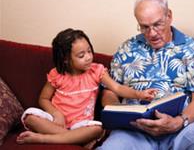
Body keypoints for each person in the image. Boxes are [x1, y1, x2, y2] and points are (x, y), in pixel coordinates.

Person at [97, 0, 194, 149]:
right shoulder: (126, 48)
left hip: (182, 128)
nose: (152, 34)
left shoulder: (192, 47)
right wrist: (121, 114)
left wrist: (179, 122)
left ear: (169, 16)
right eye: (144, 27)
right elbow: (109, 92)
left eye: (157, 24)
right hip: (134, 131)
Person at [16, 28, 156, 147]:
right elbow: (43, 99)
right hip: (56, 123)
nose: (88, 57)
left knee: (96, 129)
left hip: (81, 125)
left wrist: (139, 94)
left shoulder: (97, 71)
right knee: (30, 116)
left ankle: (43, 138)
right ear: (66, 59)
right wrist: (56, 114)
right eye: (81, 55)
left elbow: (118, 88)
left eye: (89, 51)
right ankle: (74, 139)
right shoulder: (57, 75)